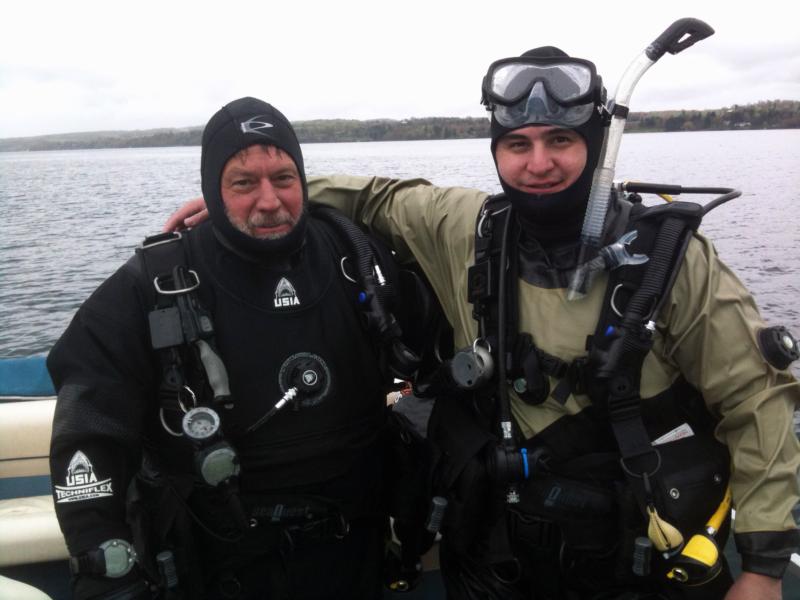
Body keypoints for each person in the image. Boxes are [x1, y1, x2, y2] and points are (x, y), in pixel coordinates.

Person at [167, 48, 800, 600]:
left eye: (560, 141)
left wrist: (765, 570)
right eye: (517, 145)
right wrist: (266, 198)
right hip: (495, 550)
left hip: (628, 551)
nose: (538, 164)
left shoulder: (674, 262)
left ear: (597, 144)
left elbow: (756, 399)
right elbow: (379, 198)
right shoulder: (466, 227)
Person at [48, 96, 436, 600]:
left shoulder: (358, 260)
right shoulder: (155, 284)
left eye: (284, 178)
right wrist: (98, 550)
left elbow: (439, 352)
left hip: (354, 551)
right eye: (244, 183)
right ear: (213, 187)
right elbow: (88, 419)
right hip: (219, 559)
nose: (269, 201)